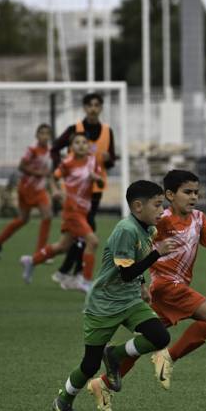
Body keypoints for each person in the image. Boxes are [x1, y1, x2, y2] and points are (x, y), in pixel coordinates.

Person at [86, 170, 206, 411]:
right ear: (170, 195)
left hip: (171, 289)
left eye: (196, 192)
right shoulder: (159, 219)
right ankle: (168, 357)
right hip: (165, 286)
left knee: (146, 342)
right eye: (187, 192)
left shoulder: (199, 218)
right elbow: (139, 251)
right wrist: (141, 283)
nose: (193, 197)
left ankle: (103, 383)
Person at [51, 180, 177, 411]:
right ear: (138, 206)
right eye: (157, 205)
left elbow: (135, 263)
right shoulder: (125, 230)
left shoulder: (148, 230)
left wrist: (142, 286)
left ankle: (115, 355)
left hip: (129, 301)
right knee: (89, 366)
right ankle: (63, 400)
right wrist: (157, 254)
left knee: (159, 336)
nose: (162, 210)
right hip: (103, 305)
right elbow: (126, 273)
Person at [50, 92, 117, 291]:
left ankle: (66, 272)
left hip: (95, 188)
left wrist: (108, 159)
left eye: (97, 105)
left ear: (101, 107)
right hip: (75, 192)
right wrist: (61, 166)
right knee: (87, 233)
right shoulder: (75, 129)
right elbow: (54, 148)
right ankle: (74, 274)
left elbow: (111, 160)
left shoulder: (107, 131)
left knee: (80, 233)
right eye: (90, 105)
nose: (93, 108)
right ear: (84, 108)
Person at [19, 133, 102, 284]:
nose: (81, 145)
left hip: (83, 211)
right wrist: (55, 190)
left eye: (84, 142)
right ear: (71, 147)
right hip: (72, 210)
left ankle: (31, 261)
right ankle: (86, 282)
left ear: (88, 146)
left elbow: (100, 183)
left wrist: (98, 179)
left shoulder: (92, 160)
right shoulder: (67, 163)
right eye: (77, 142)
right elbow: (53, 177)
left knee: (63, 246)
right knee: (93, 241)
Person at [0, 124, 53, 257]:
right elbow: (21, 166)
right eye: (42, 133)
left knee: (47, 216)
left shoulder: (49, 150)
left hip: (39, 190)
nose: (44, 136)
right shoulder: (32, 149)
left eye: (47, 133)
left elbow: (48, 169)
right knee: (23, 219)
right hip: (27, 188)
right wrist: (38, 173)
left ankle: (40, 252)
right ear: (37, 135)